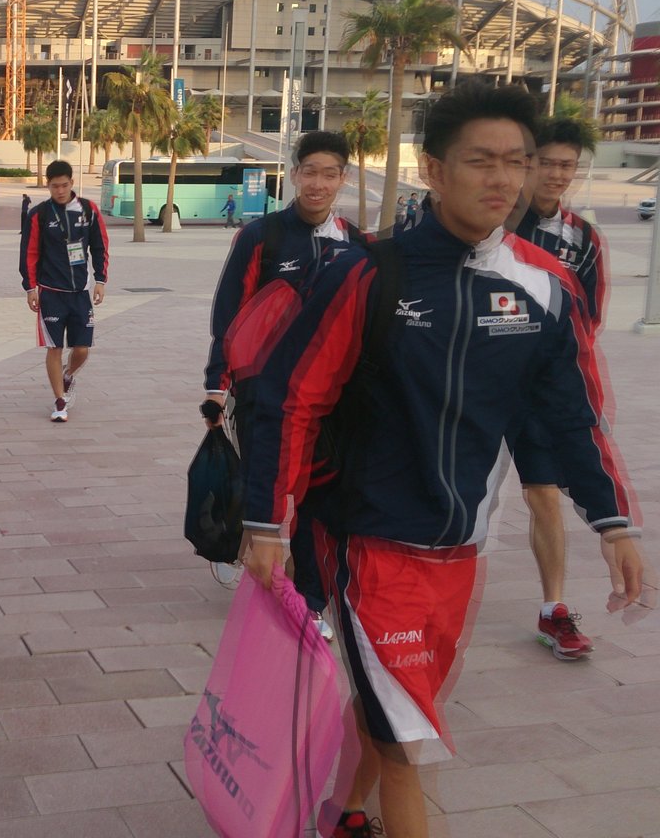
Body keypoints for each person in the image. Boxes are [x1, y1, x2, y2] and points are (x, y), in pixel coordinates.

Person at [239, 83, 643, 838]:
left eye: (517, 162)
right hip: (365, 536)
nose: (504, 179)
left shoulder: (545, 287)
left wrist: (612, 520)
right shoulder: (366, 273)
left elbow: (571, 415)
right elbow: (292, 402)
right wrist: (266, 522)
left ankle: (340, 814)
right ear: (433, 169)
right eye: (482, 161)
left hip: (459, 547)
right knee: (404, 742)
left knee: (397, 706)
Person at [202, 130, 362, 641]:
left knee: (319, 495)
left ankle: (309, 599)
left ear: (343, 179)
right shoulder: (261, 236)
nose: (318, 184)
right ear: (294, 175)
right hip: (264, 394)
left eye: (329, 174)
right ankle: (247, 555)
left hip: (329, 399)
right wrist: (217, 384)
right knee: (263, 486)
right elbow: (229, 315)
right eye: (309, 172)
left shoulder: (356, 243)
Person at [506, 115, 606, 660]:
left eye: (568, 165)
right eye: (547, 163)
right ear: (528, 164)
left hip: (538, 396)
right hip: (476, 389)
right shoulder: (494, 221)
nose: (558, 174)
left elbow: (587, 323)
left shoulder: (583, 238)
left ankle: (554, 610)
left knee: (543, 495)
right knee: (456, 494)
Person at [19, 159, 109, 422]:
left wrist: (100, 280)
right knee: (54, 347)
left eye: (64, 185)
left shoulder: (88, 209)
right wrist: (30, 288)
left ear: (72, 183)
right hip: (50, 293)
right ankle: (59, 401)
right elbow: (29, 253)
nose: (60, 190)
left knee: (82, 349)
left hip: (80, 293)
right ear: (48, 185)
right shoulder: (39, 214)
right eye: (55, 186)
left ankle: (68, 375)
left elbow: (100, 246)